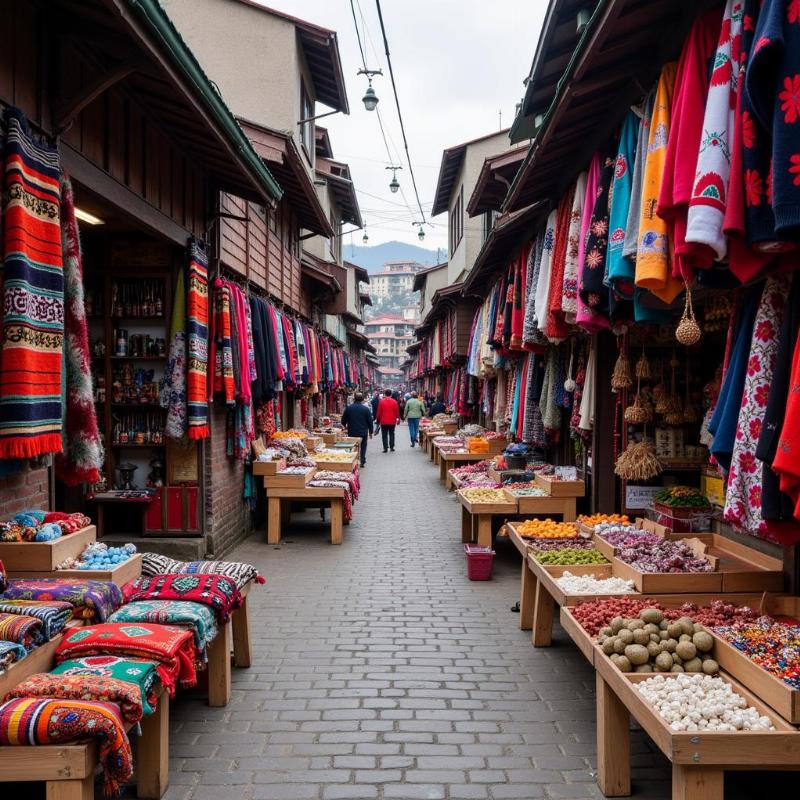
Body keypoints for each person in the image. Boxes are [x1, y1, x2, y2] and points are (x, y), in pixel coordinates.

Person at [341, 391, 373, 467]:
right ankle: (362, 460)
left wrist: (345, 427)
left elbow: (343, 421)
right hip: (363, 432)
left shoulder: (349, 408)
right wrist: (371, 432)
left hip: (352, 431)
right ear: (362, 399)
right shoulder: (366, 409)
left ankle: (353, 460)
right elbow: (370, 422)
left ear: (354, 399)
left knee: (353, 446)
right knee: (363, 446)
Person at [375, 388, 400, 453]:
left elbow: (379, 412)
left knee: (384, 435)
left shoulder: (381, 401)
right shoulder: (394, 402)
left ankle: (385, 448)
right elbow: (397, 411)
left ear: (385, 394)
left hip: (383, 421)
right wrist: (398, 419)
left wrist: (378, 420)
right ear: (391, 394)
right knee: (392, 434)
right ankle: (392, 447)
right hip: (392, 421)